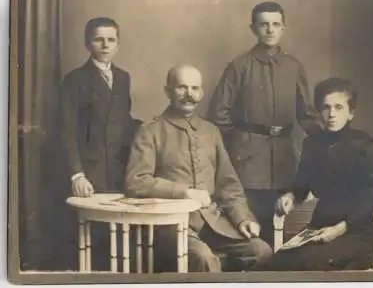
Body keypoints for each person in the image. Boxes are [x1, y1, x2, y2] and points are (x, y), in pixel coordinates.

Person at [124, 65, 272, 272]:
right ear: (168, 91)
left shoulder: (210, 131)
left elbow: (228, 184)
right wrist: (184, 192)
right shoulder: (151, 131)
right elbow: (136, 181)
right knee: (203, 259)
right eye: (182, 88)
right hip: (171, 226)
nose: (189, 94)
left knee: (262, 251)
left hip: (215, 223)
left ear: (201, 93)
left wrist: (243, 218)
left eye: (194, 89)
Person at [207, 1, 320, 245]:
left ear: (284, 28)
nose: (270, 30)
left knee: (276, 226)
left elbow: (306, 115)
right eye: (264, 24)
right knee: (248, 226)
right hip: (248, 159)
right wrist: (238, 145)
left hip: (283, 158)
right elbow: (219, 114)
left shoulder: (294, 67)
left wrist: (328, 142)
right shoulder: (239, 66)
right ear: (253, 28)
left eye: (276, 24)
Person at [256, 77, 373, 271]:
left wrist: (339, 229)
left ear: (351, 113)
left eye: (338, 107)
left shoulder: (366, 146)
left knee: (311, 265)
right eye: (326, 107)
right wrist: (291, 196)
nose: (331, 114)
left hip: (355, 232)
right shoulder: (313, 144)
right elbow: (302, 185)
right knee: (276, 263)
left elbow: (368, 198)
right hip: (319, 226)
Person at [52, 17, 140, 270]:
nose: (105, 45)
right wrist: (76, 175)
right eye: (98, 39)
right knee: (92, 238)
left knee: (120, 238)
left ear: (118, 44)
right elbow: (65, 131)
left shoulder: (123, 78)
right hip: (88, 173)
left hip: (118, 170)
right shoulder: (75, 80)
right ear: (87, 44)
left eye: (111, 40)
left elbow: (123, 122)